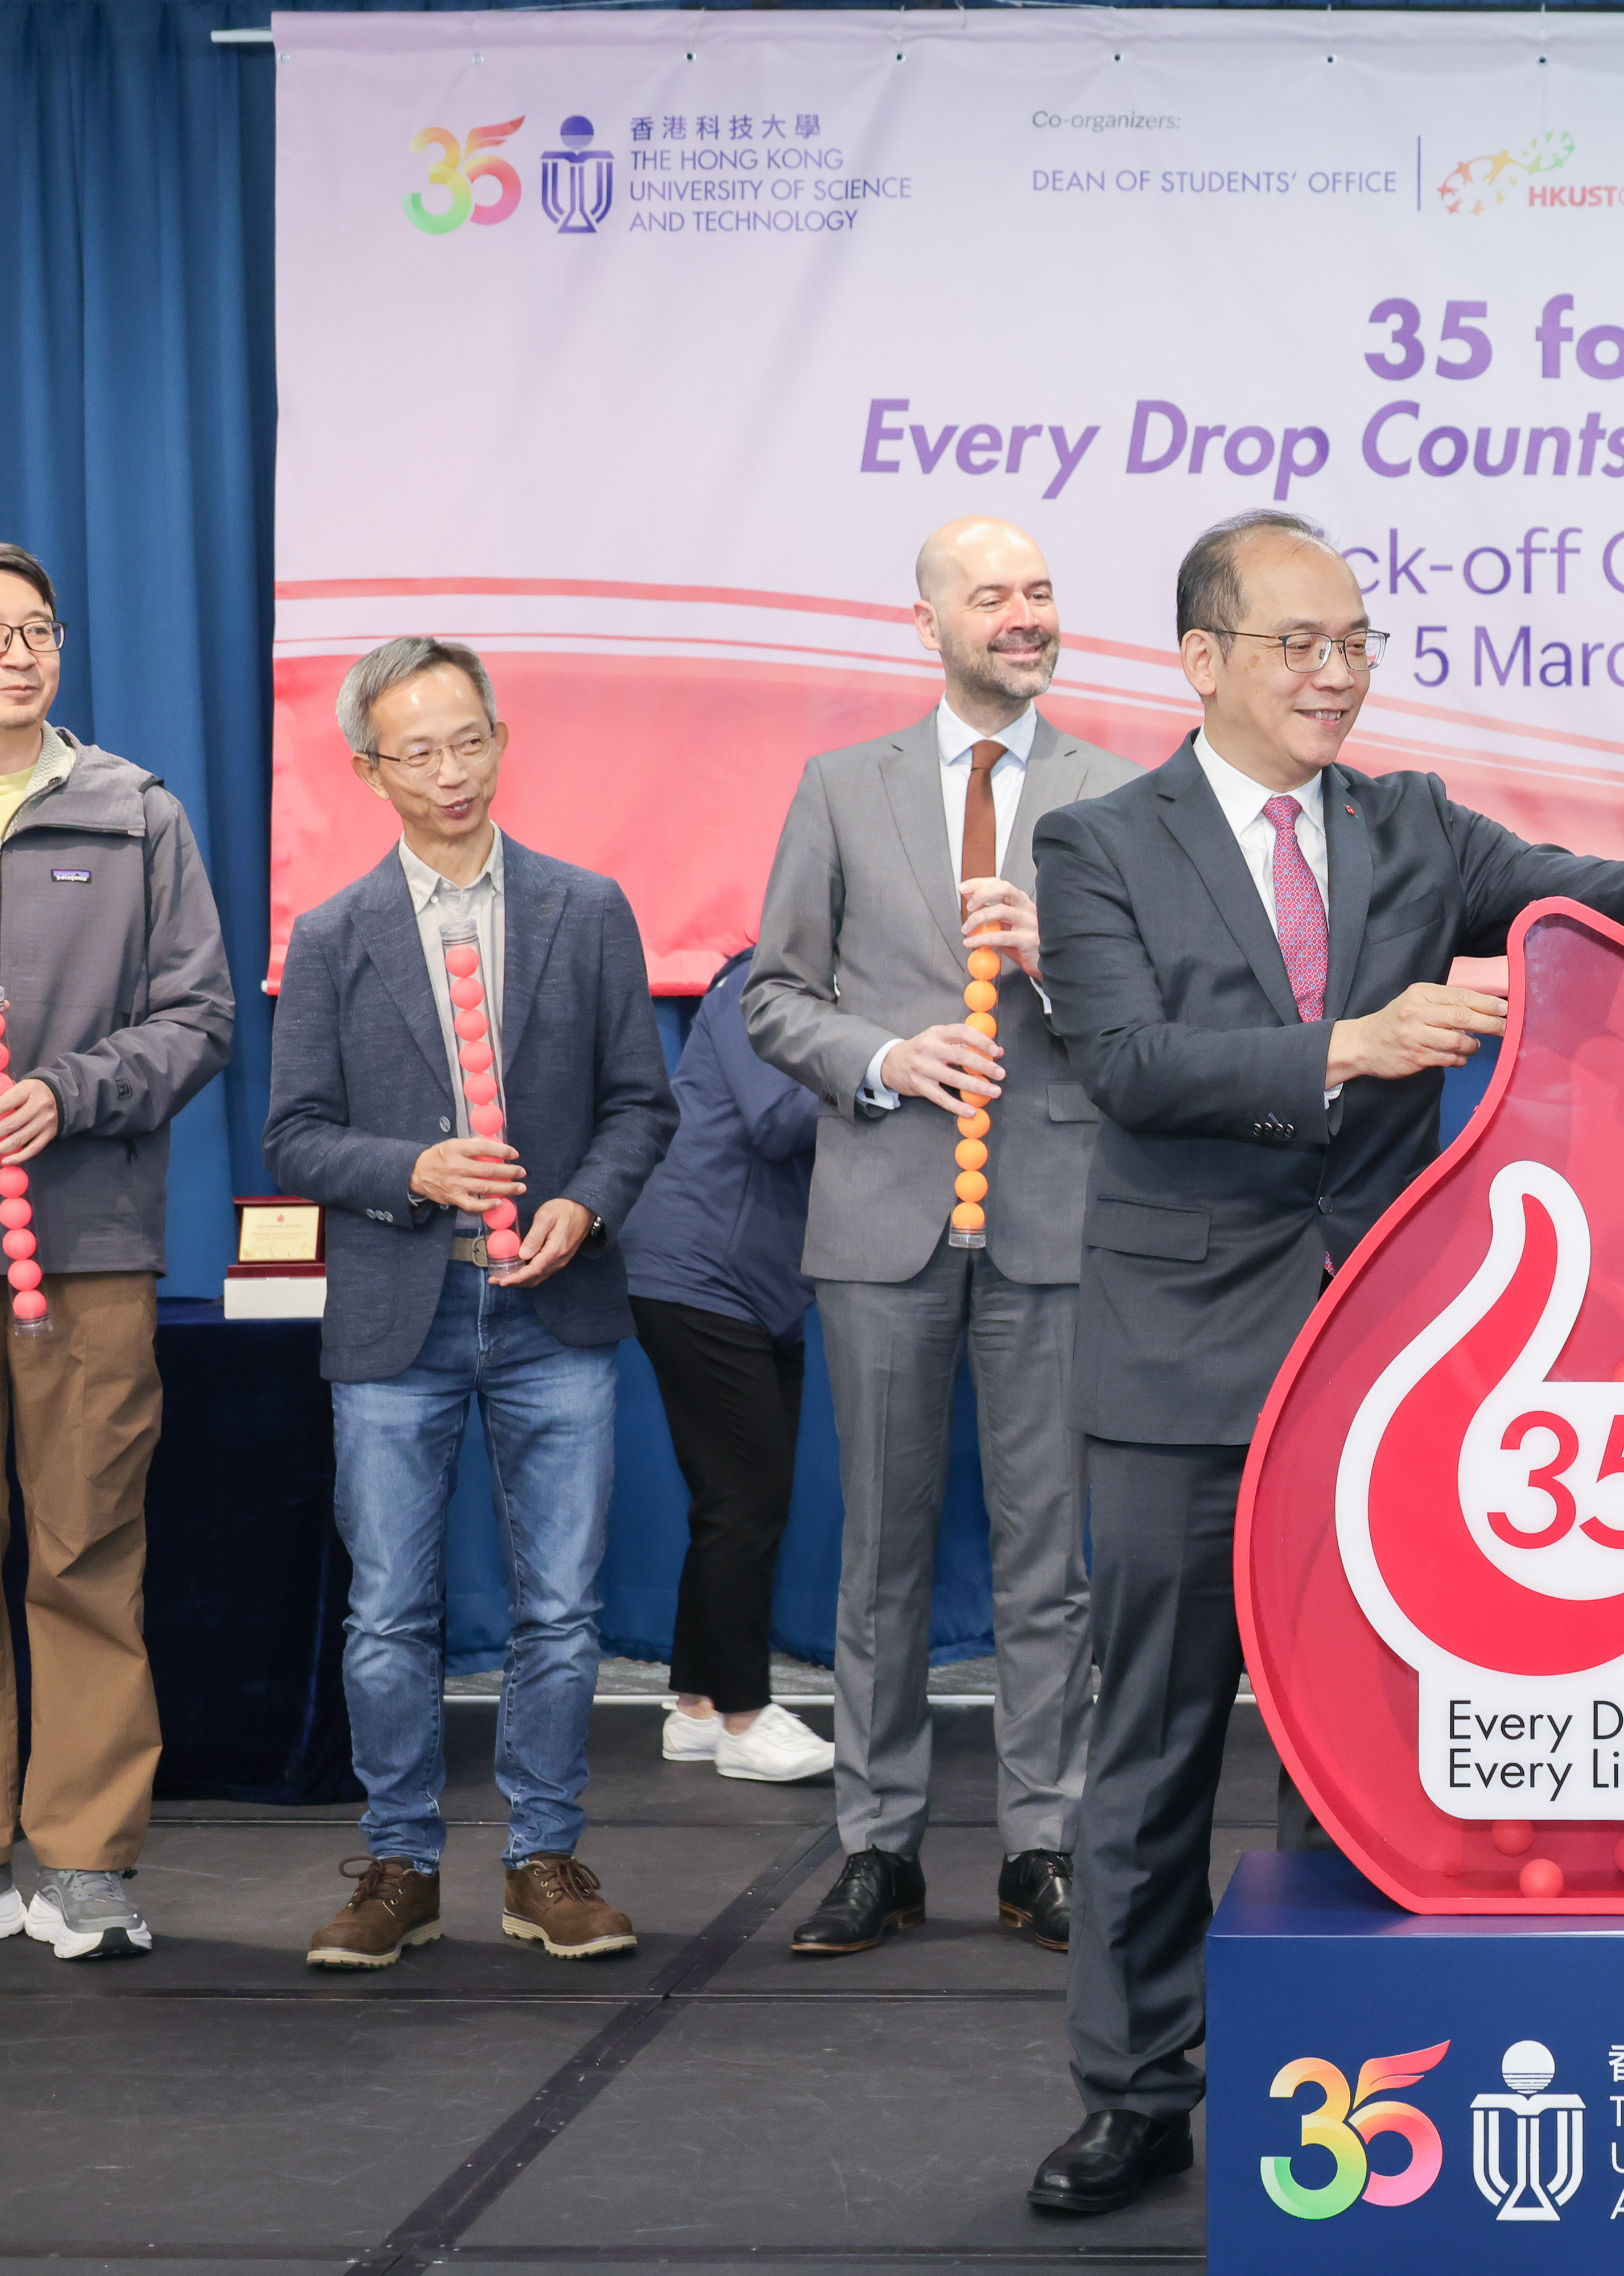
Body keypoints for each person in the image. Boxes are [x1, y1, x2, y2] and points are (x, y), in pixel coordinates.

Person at [1022, 508, 1624, 2216]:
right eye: (1300, 645)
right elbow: (1135, 1061)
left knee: (1363, 1742)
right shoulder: (1097, 843)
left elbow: (1591, 904)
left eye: (1356, 642)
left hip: (1382, 1367)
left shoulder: (1410, 826)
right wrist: (1354, 1046)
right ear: (1204, 659)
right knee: (1156, 1740)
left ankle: (1349, 2078)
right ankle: (1139, 2087)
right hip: (1178, 1363)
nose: (1334, 673)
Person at [744, 518, 1136, 1961]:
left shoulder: (1127, 797)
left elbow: (1154, 1027)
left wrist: (1062, 957)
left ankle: (1044, 1844)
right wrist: (884, 1056)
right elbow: (773, 995)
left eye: (1041, 589)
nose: (1025, 614)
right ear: (929, 623)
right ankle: (877, 1849)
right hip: (882, 1224)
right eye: (995, 596)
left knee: (1052, 1564)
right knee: (880, 1558)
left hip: (1057, 1222)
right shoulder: (844, 789)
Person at [266, 636, 677, 1970]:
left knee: (562, 1607)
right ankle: (399, 1864)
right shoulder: (331, 936)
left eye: (469, 740)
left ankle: (543, 1858)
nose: (450, 772)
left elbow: (639, 1103)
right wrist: (411, 1169)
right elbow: (294, 1140)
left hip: (554, 1308)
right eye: (416, 751)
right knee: (388, 1609)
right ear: (368, 768)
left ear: (503, 736)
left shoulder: (586, 905)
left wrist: (587, 1201)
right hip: (400, 1314)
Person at [0, 542, 237, 1962]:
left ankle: (82, 1856)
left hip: (82, 1244)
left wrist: (65, 1092)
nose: (19, 651)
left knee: (84, 1541)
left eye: (38, 629)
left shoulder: (134, 810)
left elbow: (200, 1017)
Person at [628, 943, 831, 1783]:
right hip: (696, 1268)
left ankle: (698, 1707)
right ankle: (747, 1717)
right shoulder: (761, 984)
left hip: (761, 1283)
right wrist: (886, 1064)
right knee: (748, 1497)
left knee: (733, 1499)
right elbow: (779, 1118)